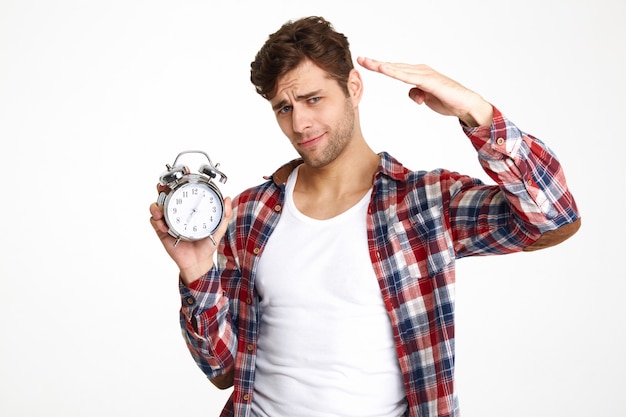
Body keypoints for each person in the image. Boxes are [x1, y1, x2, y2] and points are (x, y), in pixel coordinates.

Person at [149, 16, 580, 417]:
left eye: (313, 99)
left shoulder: (425, 204)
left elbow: (553, 216)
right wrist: (197, 272)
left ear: (353, 86)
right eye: (284, 107)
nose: (300, 122)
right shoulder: (247, 213)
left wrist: (477, 112)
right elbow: (222, 370)